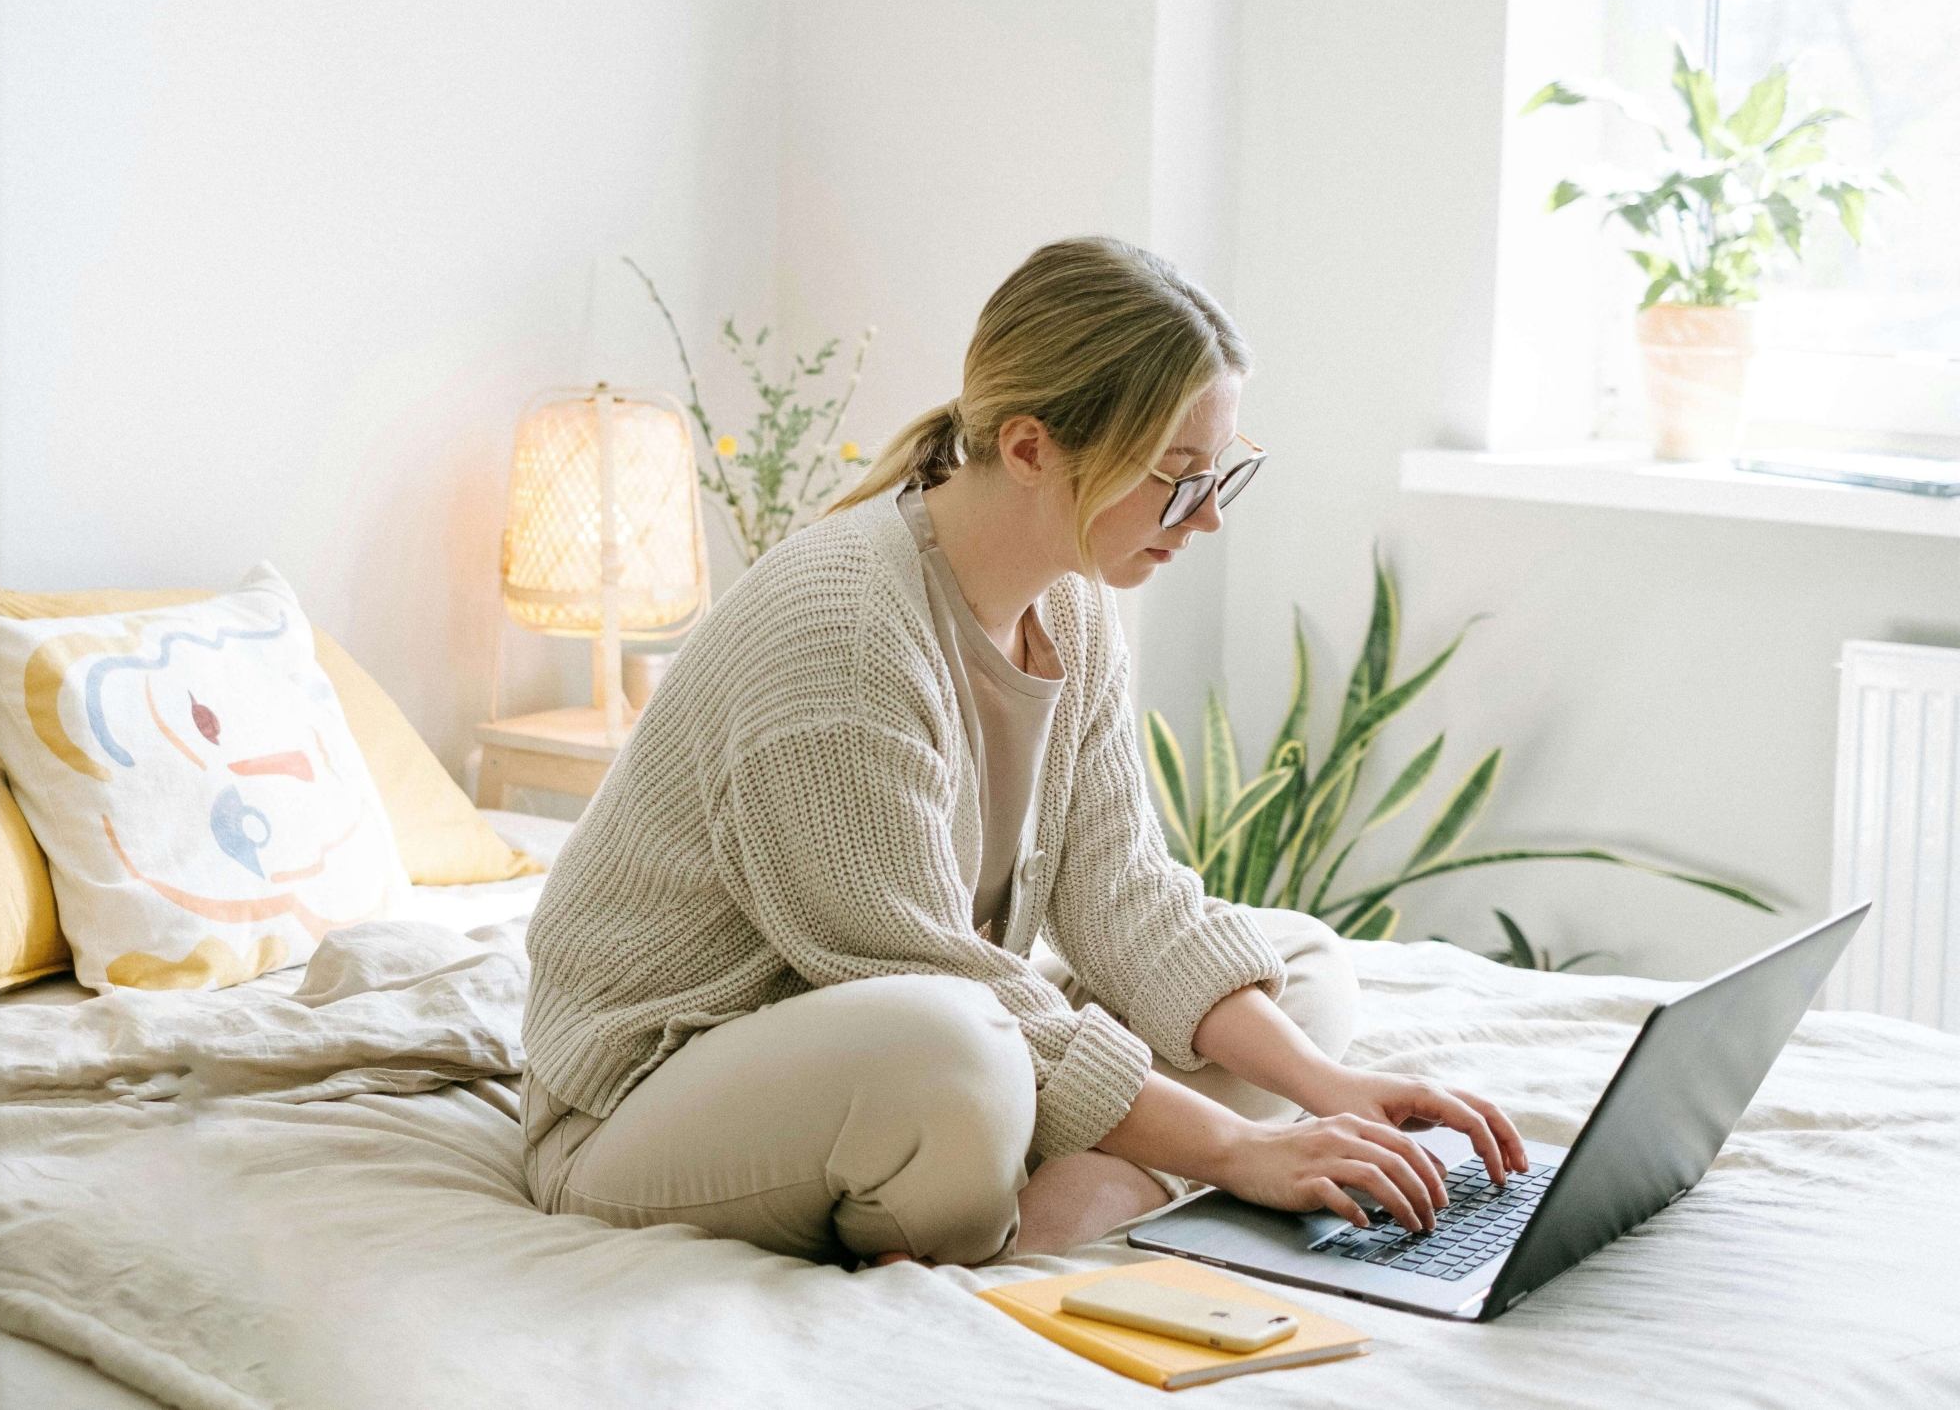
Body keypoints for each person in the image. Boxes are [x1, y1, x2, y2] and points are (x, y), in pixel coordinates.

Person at [520, 237, 1527, 1267]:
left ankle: (1088, 1197)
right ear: (1032, 447)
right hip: (650, 1100)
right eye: (1176, 477)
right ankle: (1091, 1201)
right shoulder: (843, 638)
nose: (1211, 515)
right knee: (957, 1057)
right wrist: (1239, 1146)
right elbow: (927, 980)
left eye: (1223, 473)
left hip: (919, 1031)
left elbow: (1124, 892)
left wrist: (1329, 1091)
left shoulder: (1073, 604)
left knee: (1297, 963)